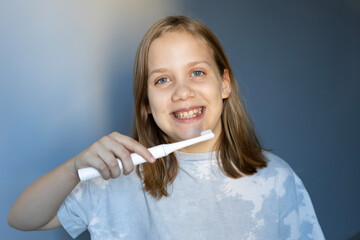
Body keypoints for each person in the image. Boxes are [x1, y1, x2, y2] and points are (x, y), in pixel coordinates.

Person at [8, 16, 325, 239]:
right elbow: (21, 219)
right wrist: (75, 168)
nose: (182, 92)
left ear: (225, 84)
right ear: (145, 103)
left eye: (197, 73)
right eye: (162, 79)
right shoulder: (116, 179)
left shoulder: (277, 181)